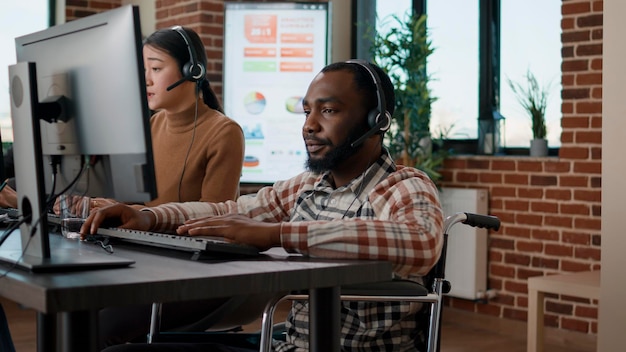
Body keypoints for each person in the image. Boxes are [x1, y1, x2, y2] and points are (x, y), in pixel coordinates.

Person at [86, 60, 444, 352]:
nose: (309, 126)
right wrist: (147, 217)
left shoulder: (404, 186)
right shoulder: (308, 186)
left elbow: (420, 241)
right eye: (306, 112)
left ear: (376, 121)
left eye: (329, 110)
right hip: (290, 343)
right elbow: (229, 212)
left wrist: (277, 234)